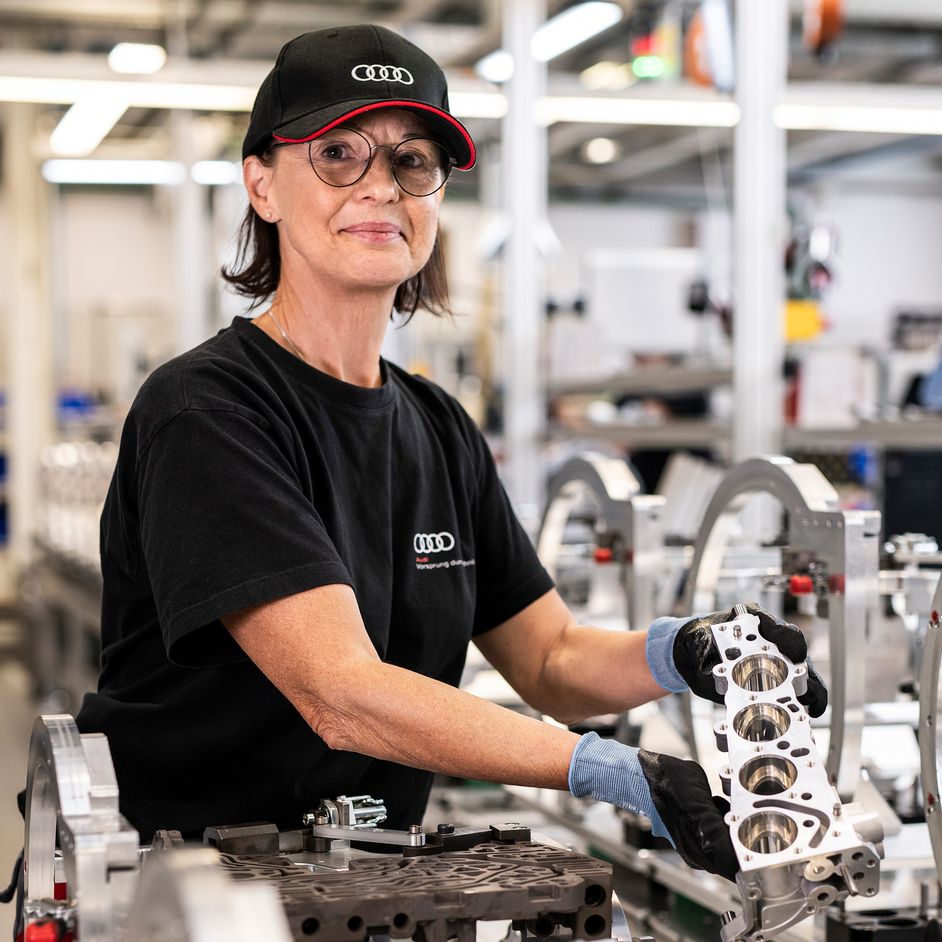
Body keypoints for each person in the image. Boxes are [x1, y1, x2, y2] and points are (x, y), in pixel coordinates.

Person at [62, 23, 826, 884]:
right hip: (183, 888)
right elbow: (342, 695)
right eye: (339, 152)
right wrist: (607, 771)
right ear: (262, 185)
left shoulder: (436, 424)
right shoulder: (207, 410)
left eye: (413, 161)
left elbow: (548, 657)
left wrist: (679, 652)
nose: (381, 187)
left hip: (367, 886)